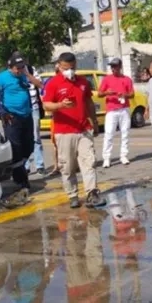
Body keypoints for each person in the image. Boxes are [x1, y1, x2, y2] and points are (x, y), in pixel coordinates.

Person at [42, 52, 106, 209]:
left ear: (75, 65)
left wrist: (94, 122)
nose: (69, 70)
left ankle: (92, 193)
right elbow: (46, 105)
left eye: (72, 67)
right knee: (68, 166)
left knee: (89, 162)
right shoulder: (53, 83)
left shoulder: (83, 82)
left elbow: (89, 103)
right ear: (59, 66)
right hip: (64, 131)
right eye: (65, 68)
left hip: (84, 129)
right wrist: (60, 106)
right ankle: (72, 195)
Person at [0, 53, 43, 200]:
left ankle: (16, 171)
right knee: (16, 149)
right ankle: (22, 180)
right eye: (17, 68)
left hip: (27, 115)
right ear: (10, 67)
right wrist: (2, 112)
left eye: (21, 67)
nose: (19, 70)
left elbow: (40, 85)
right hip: (12, 117)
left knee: (30, 146)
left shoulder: (24, 75)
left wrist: (27, 73)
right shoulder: (1, 78)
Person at [97, 57, 134, 168]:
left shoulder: (127, 79)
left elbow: (132, 94)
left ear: (120, 67)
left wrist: (124, 95)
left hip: (124, 109)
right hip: (112, 110)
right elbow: (99, 93)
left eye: (115, 66)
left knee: (125, 133)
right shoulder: (107, 79)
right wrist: (107, 93)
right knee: (109, 134)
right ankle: (107, 158)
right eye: (112, 66)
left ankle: (123, 155)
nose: (113, 68)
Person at [20, 54, 46, 176]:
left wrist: (27, 74)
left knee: (36, 137)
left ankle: (40, 165)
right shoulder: (12, 72)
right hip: (21, 109)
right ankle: (25, 166)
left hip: (34, 107)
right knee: (23, 138)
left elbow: (40, 85)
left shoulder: (31, 69)